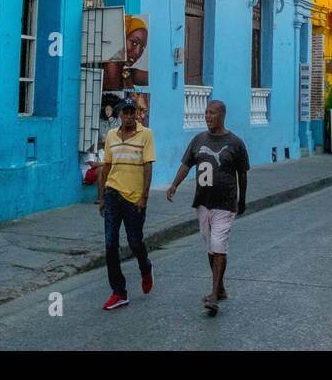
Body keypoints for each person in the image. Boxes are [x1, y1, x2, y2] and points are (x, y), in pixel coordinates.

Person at [166, 100, 249, 316]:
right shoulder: (198, 140)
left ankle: (213, 295)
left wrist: (242, 200)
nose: (207, 116)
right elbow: (186, 164)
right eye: (206, 113)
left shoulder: (235, 143)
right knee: (211, 247)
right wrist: (174, 185)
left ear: (222, 115)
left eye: (212, 113)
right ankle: (220, 288)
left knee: (218, 245)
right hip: (203, 202)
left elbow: (242, 174)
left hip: (225, 203)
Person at [98, 98, 155, 310]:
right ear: (120, 114)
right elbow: (106, 166)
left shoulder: (146, 135)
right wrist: (103, 196)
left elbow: (148, 167)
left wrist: (144, 197)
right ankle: (119, 291)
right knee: (110, 244)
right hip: (113, 193)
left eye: (133, 112)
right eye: (126, 112)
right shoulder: (111, 136)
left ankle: (145, 266)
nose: (130, 116)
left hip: (134, 198)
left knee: (135, 242)